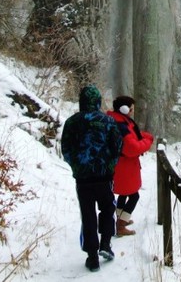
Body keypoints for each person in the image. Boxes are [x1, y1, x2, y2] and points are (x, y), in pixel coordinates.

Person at [61, 85, 122, 272]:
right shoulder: (108, 121)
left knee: (87, 215)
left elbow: (66, 148)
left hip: (83, 179)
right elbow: (117, 146)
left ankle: (92, 257)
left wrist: (76, 166)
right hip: (104, 177)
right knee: (107, 208)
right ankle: (105, 243)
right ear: (97, 101)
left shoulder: (72, 122)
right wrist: (110, 165)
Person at [107, 95, 154, 236]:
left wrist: (145, 136)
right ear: (124, 109)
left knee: (123, 194)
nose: (133, 111)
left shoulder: (119, 120)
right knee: (134, 196)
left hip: (121, 165)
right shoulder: (121, 125)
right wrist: (148, 141)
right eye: (131, 108)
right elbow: (132, 148)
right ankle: (121, 225)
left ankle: (121, 220)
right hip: (124, 166)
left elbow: (134, 134)